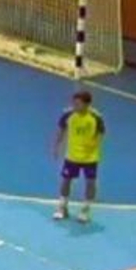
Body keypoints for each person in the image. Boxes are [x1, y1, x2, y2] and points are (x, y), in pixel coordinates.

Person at [53, 90, 105, 224]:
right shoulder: (68, 115)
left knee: (90, 182)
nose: (75, 106)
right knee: (66, 180)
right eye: (74, 103)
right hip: (72, 156)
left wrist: (93, 147)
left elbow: (101, 134)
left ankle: (85, 210)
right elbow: (60, 130)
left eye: (78, 104)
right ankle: (62, 207)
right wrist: (56, 147)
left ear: (87, 104)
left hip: (90, 158)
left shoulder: (96, 118)